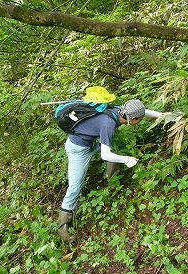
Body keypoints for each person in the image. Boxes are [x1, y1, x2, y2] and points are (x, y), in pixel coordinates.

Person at [57, 88, 159, 243]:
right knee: (75, 186)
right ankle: (63, 228)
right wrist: (127, 159)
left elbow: (144, 112)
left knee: (114, 149)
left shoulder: (119, 110)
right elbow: (105, 155)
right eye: (139, 119)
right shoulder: (108, 124)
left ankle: (114, 185)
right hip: (78, 149)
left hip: (91, 142)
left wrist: (165, 116)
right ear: (133, 119)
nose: (141, 121)